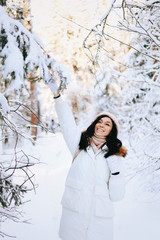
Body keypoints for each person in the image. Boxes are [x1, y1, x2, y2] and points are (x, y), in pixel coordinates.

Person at [49, 86, 127, 240]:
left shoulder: (114, 156)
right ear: (94, 124)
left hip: (99, 224)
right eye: (100, 121)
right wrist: (57, 97)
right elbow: (67, 123)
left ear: (112, 131)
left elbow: (116, 196)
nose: (101, 125)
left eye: (107, 124)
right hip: (74, 219)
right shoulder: (79, 144)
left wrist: (116, 174)